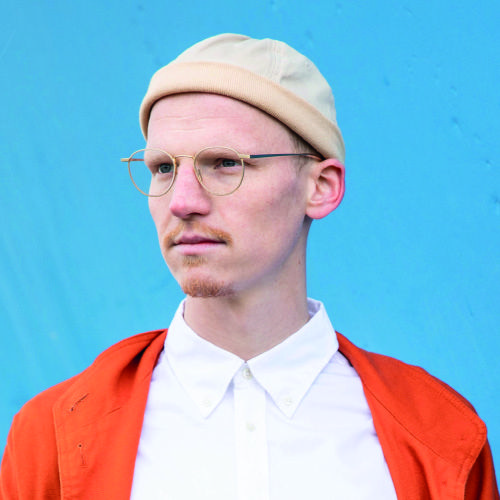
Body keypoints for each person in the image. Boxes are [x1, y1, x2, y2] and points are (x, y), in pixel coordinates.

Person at [0, 34, 497, 500]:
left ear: (321, 186)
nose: (182, 201)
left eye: (225, 163)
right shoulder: (53, 436)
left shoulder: (440, 434)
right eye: (163, 168)